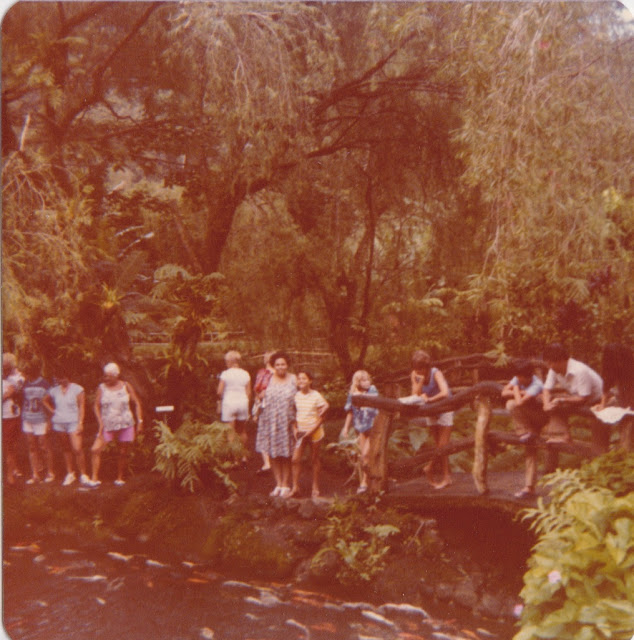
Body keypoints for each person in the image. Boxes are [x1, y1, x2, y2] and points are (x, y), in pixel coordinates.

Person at [542, 343, 603, 471]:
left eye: (551, 363)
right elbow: (546, 389)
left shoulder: (580, 370)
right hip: (579, 397)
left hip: (597, 401)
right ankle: (561, 435)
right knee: (554, 404)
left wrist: (562, 400)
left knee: (599, 440)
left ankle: (599, 464)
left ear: (560, 360)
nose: (549, 366)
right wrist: (546, 403)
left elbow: (583, 398)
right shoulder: (554, 370)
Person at [90, 362, 143, 486]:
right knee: (95, 449)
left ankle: (120, 478)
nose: (105, 378)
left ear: (116, 375)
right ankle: (94, 479)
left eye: (108, 376)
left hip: (126, 423)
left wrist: (140, 421)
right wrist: (100, 422)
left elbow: (137, 403)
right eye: (105, 375)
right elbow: (96, 406)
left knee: (123, 452)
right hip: (107, 424)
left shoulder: (126, 386)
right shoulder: (101, 388)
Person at [501, 359, 547, 498]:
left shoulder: (537, 384)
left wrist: (516, 389)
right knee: (530, 448)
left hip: (540, 418)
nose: (517, 380)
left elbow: (519, 402)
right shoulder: (518, 377)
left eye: (520, 377)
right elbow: (503, 392)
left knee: (511, 404)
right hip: (528, 418)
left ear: (527, 376)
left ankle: (524, 433)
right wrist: (519, 390)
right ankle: (529, 487)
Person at [409, 350, 454, 489]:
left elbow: (445, 393)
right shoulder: (415, 374)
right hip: (430, 410)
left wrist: (430, 399)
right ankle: (447, 477)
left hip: (445, 407)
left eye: (421, 368)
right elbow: (415, 395)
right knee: (438, 445)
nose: (418, 371)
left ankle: (429, 467)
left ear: (427, 367)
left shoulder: (436, 373)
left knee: (443, 445)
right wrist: (420, 381)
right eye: (416, 368)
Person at [255, 351, 297, 497]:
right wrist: (259, 398)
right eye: (277, 364)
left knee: (286, 454)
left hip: (287, 421)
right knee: (273, 454)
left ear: (287, 365)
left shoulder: (293, 379)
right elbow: (258, 395)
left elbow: (302, 396)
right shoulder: (268, 378)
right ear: (273, 365)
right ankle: (278, 484)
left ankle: (285, 484)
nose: (280, 367)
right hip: (270, 421)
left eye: (283, 364)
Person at [43, 366, 91, 486]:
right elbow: (44, 400)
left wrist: (80, 423)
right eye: (59, 379)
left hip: (73, 422)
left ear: (68, 377)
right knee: (66, 448)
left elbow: (82, 407)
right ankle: (70, 473)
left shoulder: (78, 389)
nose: (61, 381)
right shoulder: (54, 390)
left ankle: (83, 474)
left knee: (77, 448)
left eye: (63, 378)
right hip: (59, 423)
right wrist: (52, 411)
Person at [291, 370, 329, 498]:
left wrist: (311, 430)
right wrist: (294, 428)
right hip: (301, 432)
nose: (301, 381)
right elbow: (293, 414)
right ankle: (295, 487)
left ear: (310, 381)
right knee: (295, 459)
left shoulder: (316, 395)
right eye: (299, 379)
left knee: (314, 459)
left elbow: (323, 416)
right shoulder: (296, 396)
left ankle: (315, 486)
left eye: (304, 378)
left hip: (314, 431)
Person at [341, 370, 379, 494]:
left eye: (368, 379)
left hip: (373, 427)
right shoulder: (352, 394)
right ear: (357, 382)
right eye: (363, 380)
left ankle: (364, 482)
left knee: (366, 455)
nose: (367, 382)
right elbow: (350, 412)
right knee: (363, 457)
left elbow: (372, 400)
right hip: (361, 428)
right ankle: (368, 480)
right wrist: (346, 427)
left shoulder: (372, 390)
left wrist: (360, 396)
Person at [593, 343, 634, 451]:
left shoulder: (630, 366)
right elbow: (607, 384)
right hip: (626, 400)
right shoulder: (613, 369)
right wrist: (603, 405)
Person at [21, 360, 55, 484]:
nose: (26, 374)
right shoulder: (25, 384)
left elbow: (50, 402)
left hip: (41, 419)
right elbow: (23, 400)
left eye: (28, 372)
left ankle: (50, 472)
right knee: (31, 446)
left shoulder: (44, 384)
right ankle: (35, 473)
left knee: (44, 446)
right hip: (28, 418)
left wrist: (50, 421)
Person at [217, 350, 251, 462]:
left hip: (229, 402)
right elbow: (248, 392)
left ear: (229, 361)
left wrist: (221, 399)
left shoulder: (225, 374)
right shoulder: (245, 374)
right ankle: (244, 456)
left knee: (231, 431)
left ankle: (235, 458)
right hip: (242, 402)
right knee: (242, 431)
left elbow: (219, 391)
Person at [2, 353, 25, 485]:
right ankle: (10, 472)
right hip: (4, 417)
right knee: (8, 446)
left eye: (7, 367)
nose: (5, 369)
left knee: (12, 445)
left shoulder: (15, 379)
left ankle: (12, 470)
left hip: (12, 416)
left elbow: (15, 389)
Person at [252, 351, 275, 473]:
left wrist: (256, 409)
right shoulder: (278, 374)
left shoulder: (264, 373)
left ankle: (267, 463)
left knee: (264, 434)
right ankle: (273, 461)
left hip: (265, 405)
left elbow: (258, 391)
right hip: (273, 406)